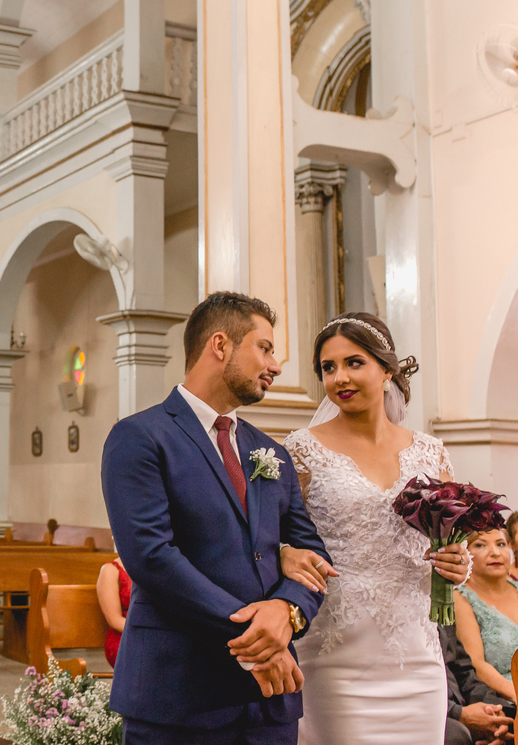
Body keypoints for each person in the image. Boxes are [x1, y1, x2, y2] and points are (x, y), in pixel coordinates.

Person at [103, 292, 331, 744]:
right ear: (221, 345)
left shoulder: (272, 452)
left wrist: (287, 612)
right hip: (178, 692)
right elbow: (151, 558)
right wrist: (259, 638)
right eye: (264, 348)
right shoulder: (141, 438)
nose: (276, 365)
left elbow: (313, 555)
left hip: (268, 701)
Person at [277, 311, 471, 745]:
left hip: (417, 659)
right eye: (328, 367)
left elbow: (449, 541)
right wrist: (284, 553)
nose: (340, 377)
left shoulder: (430, 451)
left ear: (387, 371)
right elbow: (274, 537)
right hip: (334, 657)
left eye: (354, 362)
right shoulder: (301, 451)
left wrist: (459, 563)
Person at [455, 528, 518, 702]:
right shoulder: (461, 598)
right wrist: (515, 693)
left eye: (501, 544)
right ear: (465, 553)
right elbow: (475, 663)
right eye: (481, 545)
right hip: (503, 698)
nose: (495, 553)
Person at [442, 623, 513, 745]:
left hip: (464, 704)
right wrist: (458, 713)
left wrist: (493, 711)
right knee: (457, 736)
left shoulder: (438, 605)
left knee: (509, 723)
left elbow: (463, 670)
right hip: (433, 712)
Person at [96, 556, 132, 668]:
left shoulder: (154, 566)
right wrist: (146, 633)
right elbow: (114, 620)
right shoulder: (110, 570)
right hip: (124, 635)